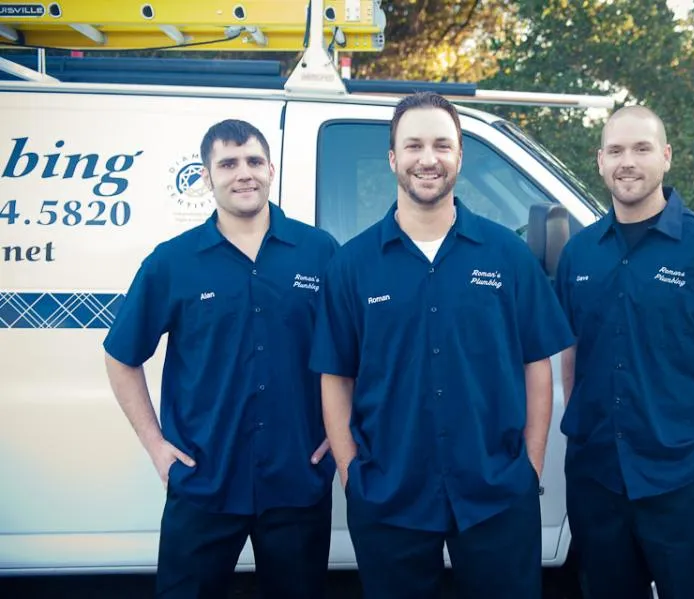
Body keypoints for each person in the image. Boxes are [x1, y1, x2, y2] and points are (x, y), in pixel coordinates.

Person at [310, 92, 574, 599]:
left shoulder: (507, 255)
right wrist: (351, 476)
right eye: (413, 145)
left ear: (459, 156)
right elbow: (335, 376)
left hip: (497, 493)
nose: (427, 159)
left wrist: (530, 467)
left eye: (441, 145)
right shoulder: (352, 265)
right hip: (388, 496)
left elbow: (536, 365)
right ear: (393, 158)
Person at [103, 119, 337, 599]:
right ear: (206, 177)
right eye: (228, 164)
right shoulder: (172, 262)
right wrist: (156, 446)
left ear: (271, 170)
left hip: (297, 480)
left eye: (253, 161)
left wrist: (342, 432)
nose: (243, 173)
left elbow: (354, 352)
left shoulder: (320, 253)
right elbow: (121, 356)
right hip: (204, 480)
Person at [555, 105, 694, 599]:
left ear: (666, 156)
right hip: (597, 481)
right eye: (616, 150)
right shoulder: (580, 252)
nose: (627, 162)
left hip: (682, 482)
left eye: (642, 148)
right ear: (600, 161)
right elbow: (572, 354)